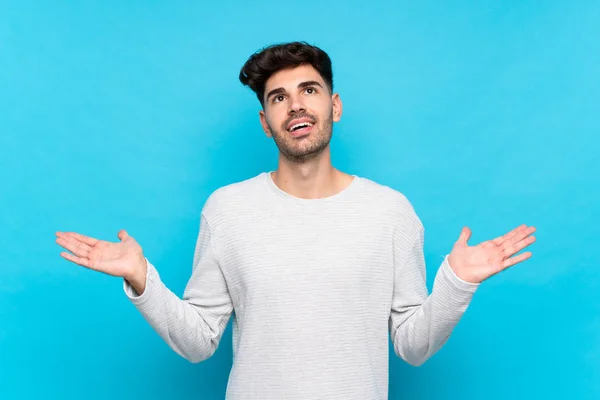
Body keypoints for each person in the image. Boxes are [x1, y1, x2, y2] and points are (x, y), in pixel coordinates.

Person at [55, 41, 536, 399]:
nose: (296, 105)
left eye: (309, 89)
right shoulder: (228, 210)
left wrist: (455, 283)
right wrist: (142, 279)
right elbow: (199, 340)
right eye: (278, 97)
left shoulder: (391, 212)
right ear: (265, 121)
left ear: (335, 105)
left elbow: (412, 346)